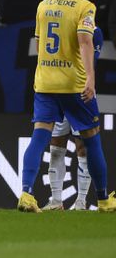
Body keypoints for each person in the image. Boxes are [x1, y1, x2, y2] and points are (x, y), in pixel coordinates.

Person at [17, 0, 114, 213]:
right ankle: (103, 200)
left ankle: (26, 194)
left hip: (46, 81)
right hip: (74, 83)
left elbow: (38, 45)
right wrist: (91, 79)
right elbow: (85, 43)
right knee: (92, 140)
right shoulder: (85, 6)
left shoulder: (43, 5)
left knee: (39, 137)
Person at [44, 25, 104, 211]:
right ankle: (56, 200)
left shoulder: (95, 32)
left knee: (83, 147)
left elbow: (90, 61)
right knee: (55, 146)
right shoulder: (60, 25)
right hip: (59, 93)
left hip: (80, 95)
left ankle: (81, 201)